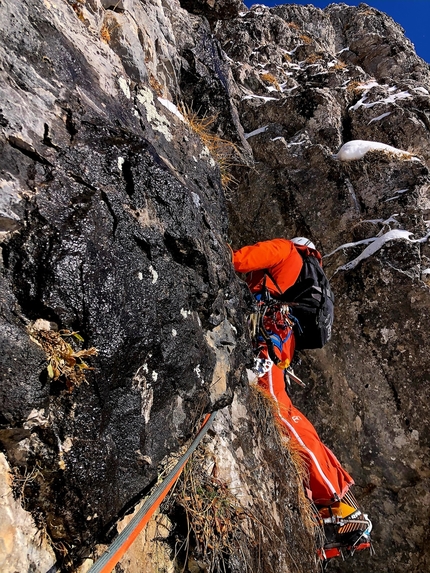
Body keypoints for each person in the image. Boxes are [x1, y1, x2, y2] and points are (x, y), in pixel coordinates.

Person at [232, 237, 372, 563]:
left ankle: (334, 500)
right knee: (286, 410)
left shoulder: (285, 250)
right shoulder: (307, 275)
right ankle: (336, 504)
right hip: (279, 340)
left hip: (268, 337)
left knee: (277, 410)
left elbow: (239, 260)